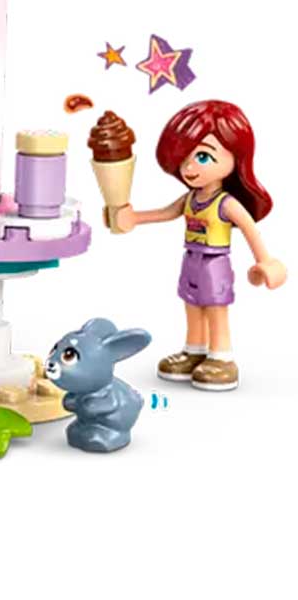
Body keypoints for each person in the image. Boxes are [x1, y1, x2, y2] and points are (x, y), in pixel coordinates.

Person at [114, 99, 284, 391]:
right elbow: (167, 212)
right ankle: (194, 350)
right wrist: (135, 218)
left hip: (215, 262)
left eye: (203, 157)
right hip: (191, 259)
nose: (190, 167)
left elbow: (249, 229)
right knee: (192, 305)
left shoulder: (226, 203)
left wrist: (265, 261)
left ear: (235, 158)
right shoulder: (191, 198)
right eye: (184, 158)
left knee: (215, 308)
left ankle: (222, 357)